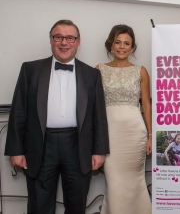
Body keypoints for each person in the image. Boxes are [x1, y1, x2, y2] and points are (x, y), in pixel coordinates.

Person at [4, 19, 110, 214]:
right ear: (50, 40)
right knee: (39, 205)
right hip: (41, 145)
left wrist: (99, 150)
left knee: (77, 203)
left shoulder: (92, 74)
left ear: (78, 41)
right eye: (58, 37)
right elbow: (19, 111)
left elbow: (99, 116)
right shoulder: (30, 70)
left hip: (78, 146)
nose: (64, 42)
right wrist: (16, 150)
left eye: (70, 38)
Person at [96, 24, 152, 214]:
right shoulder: (99, 70)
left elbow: (146, 105)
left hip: (135, 134)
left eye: (127, 43)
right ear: (110, 45)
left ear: (132, 47)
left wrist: (151, 135)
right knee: (115, 183)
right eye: (117, 42)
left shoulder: (141, 71)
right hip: (110, 134)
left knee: (135, 181)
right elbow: (95, 107)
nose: (122, 47)